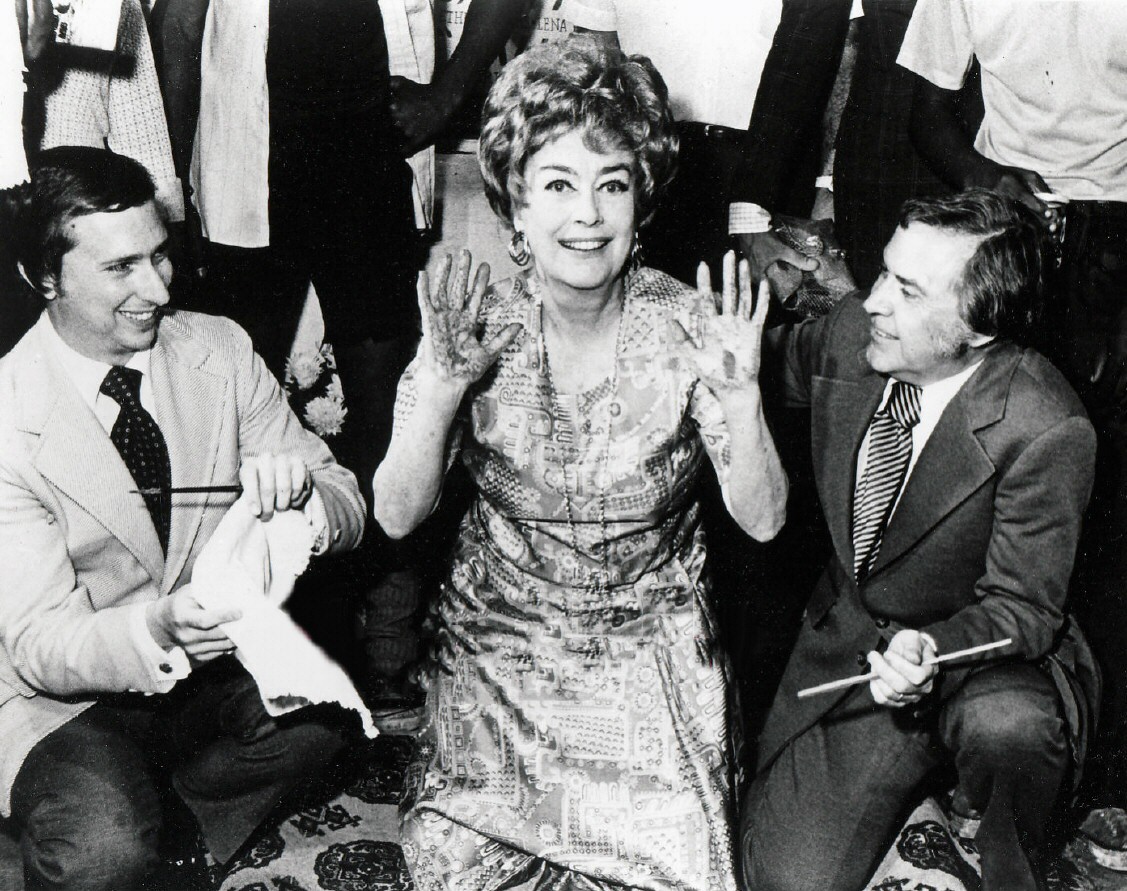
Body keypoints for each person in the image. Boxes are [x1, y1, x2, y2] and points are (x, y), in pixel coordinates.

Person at [374, 38, 787, 890]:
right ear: (513, 206)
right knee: (459, 870)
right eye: (557, 184)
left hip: (650, 646)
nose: (587, 215)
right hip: (500, 645)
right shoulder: (470, 326)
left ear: (642, 200)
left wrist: (742, 402)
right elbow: (394, 513)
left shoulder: (689, 327)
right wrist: (444, 386)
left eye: (612, 184)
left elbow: (765, 518)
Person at [0, 146, 366, 891]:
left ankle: (174, 834)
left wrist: (304, 500)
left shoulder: (221, 349)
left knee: (327, 716)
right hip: (60, 695)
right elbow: (41, 647)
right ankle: (108, 822)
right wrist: (160, 626)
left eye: (160, 257)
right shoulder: (6, 415)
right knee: (101, 852)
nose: (158, 290)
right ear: (42, 277)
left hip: (199, 669)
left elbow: (346, 499)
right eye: (120, 268)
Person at [740, 191, 1099, 891]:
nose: (871, 300)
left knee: (1010, 727)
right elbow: (756, 360)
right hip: (857, 651)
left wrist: (930, 650)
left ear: (978, 326)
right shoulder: (851, 333)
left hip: (981, 655)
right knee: (785, 879)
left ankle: (998, 845)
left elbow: (1023, 608)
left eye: (906, 290)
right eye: (882, 273)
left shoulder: (1045, 424)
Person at [897, 0, 1127, 807]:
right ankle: (979, 738)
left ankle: (1103, 772)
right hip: (1008, 227)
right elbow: (925, 110)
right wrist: (988, 183)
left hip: (1118, 230)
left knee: (1110, 511)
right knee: (987, 492)